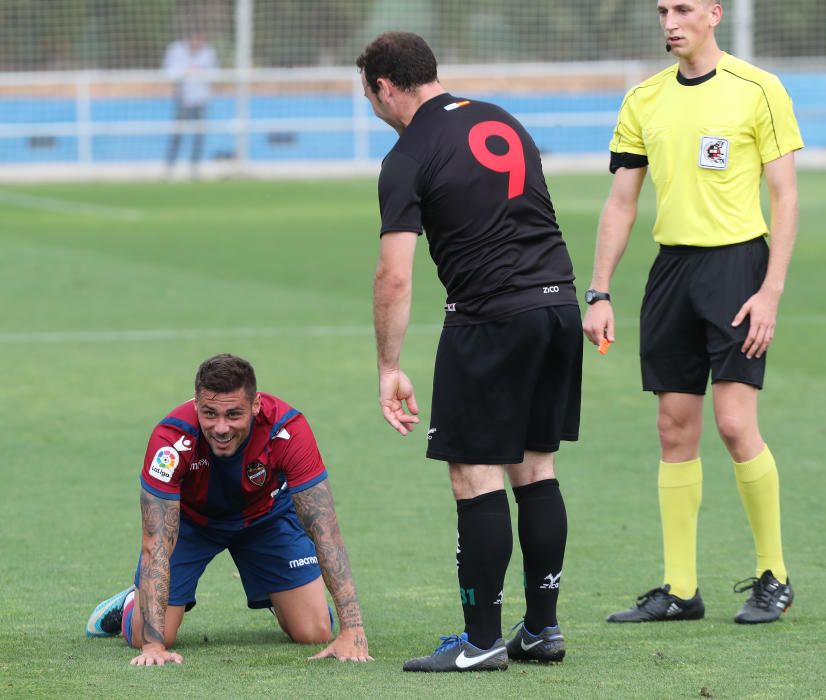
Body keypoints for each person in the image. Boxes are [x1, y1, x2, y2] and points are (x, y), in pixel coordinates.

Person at [357, 32, 582, 672]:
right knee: (536, 468)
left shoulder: (408, 154)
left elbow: (394, 276)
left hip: (490, 318)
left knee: (473, 474)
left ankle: (481, 642)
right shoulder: (500, 119)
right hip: (556, 305)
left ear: (385, 87)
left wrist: (388, 366)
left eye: (369, 95)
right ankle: (541, 629)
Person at [583, 0, 802, 625]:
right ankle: (681, 590)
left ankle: (774, 575)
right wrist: (599, 291)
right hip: (671, 273)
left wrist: (771, 291)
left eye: (683, 8)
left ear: (715, 13)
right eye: (661, 10)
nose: (670, 21)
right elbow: (622, 202)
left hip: (737, 269)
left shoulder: (758, 90)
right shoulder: (643, 100)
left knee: (734, 425)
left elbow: (785, 195)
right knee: (674, 430)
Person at [86, 354, 372, 665]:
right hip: (192, 523)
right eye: (210, 413)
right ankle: (131, 602)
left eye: (233, 414)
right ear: (196, 406)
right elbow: (155, 544)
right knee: (150, 635)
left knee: (314, 631)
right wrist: (153, 647)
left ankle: (281, 593)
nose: (221, 427)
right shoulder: (170, 439)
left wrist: (353, 630)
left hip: (266, 517)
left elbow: (325, 529)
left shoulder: (287, 429)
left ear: (256, 405)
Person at [162, 31, 218, 177]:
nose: (199, 42)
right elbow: (168, 71)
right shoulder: (176, 50)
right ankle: (169, 168)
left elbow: (215, 73)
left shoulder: (208, 52)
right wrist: (184, 72)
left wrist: (201, 73)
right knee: (177, 134)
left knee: (199, 135)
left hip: (201, 98)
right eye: (196, 38)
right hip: (183, 98)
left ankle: (195, 169)